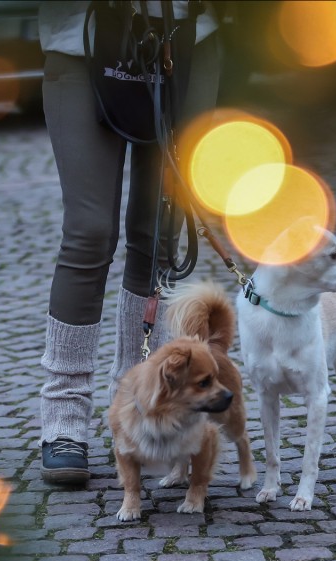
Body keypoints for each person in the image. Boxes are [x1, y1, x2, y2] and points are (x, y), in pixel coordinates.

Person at [37, 1, 221, 484]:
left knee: (158, 229)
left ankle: (138, 406)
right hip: (81, 40)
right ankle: (64, 418)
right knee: (89, 229)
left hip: (189, 38)